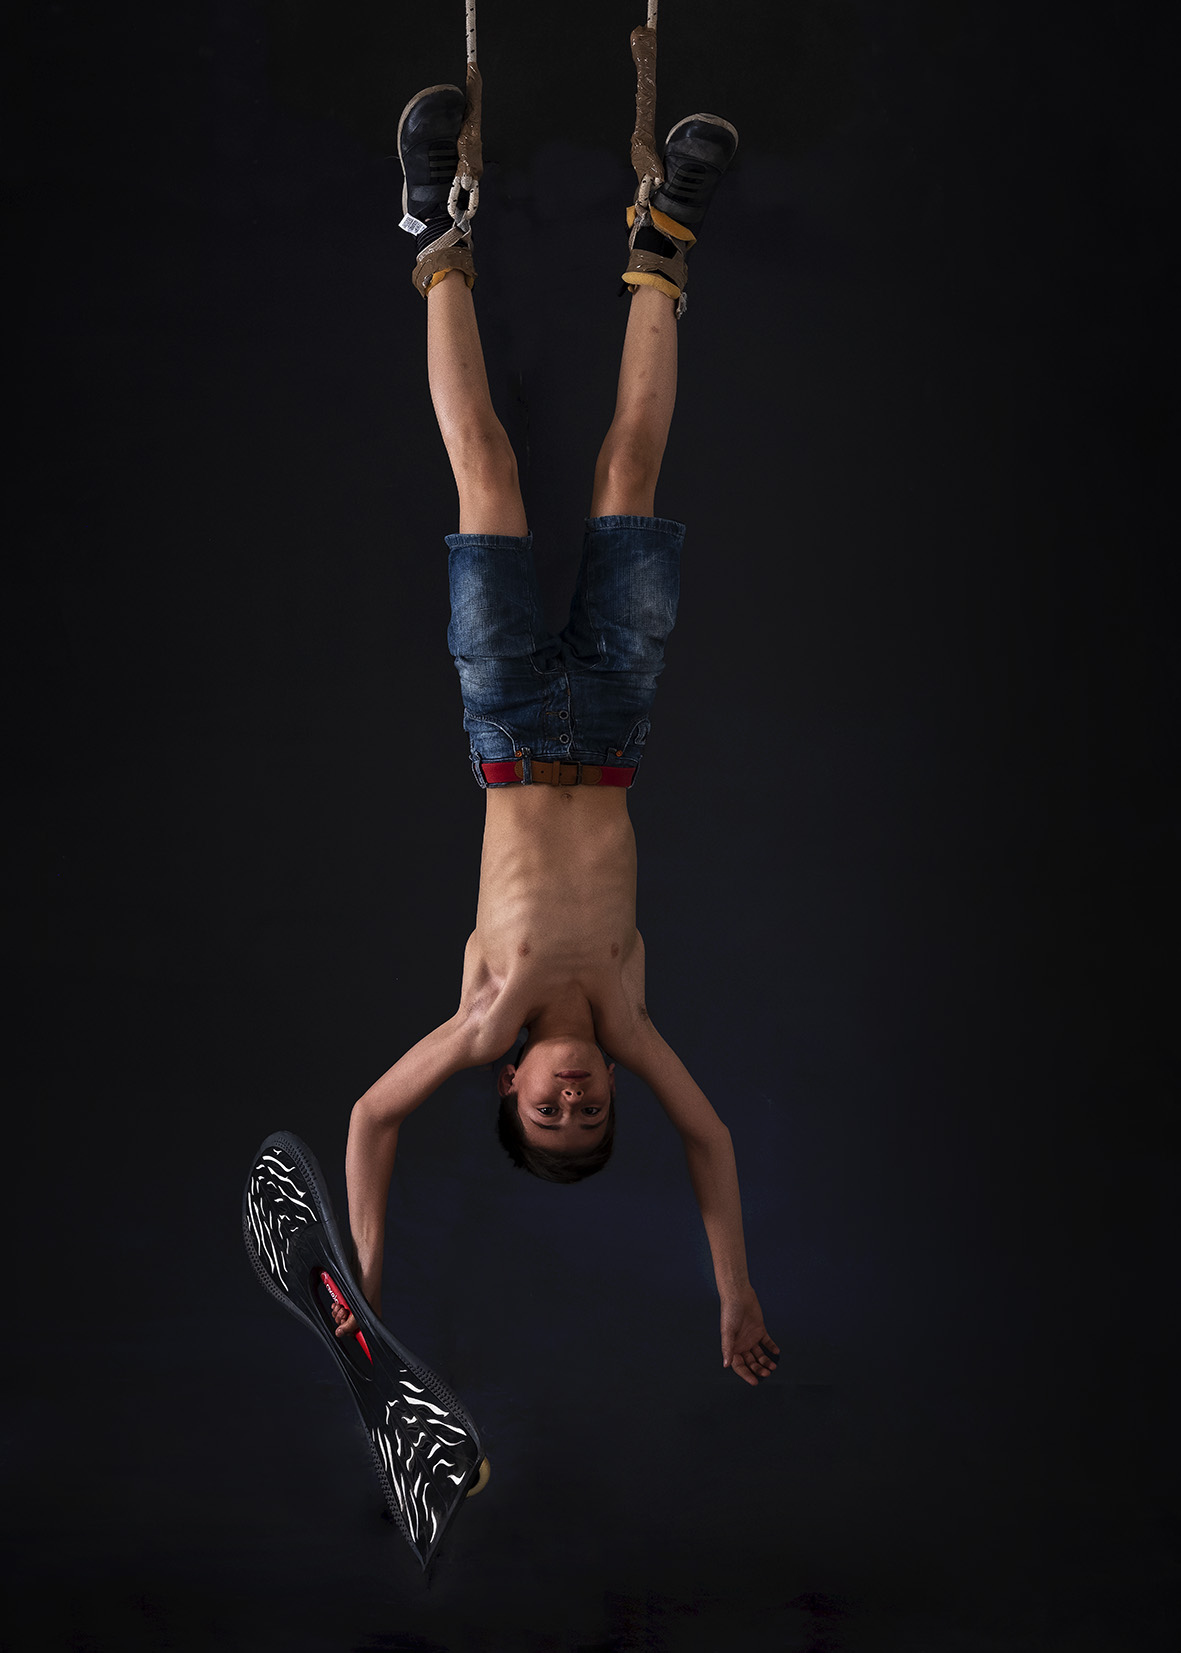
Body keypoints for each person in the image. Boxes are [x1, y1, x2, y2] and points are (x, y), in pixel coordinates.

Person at [333, 76, 779, 1387]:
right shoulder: (629, 1021)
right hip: (615, 720)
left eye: (549, 1111)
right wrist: (734, 1291)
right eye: (590, 1116)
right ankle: (665, 236)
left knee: (487, 467)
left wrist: (365, 1289)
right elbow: (711, 1143)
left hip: (511, 722)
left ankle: (433, 228)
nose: (574, 1097)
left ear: (512, 1087)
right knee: (627, 469)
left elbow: (369, 1118)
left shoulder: (488, 1018)